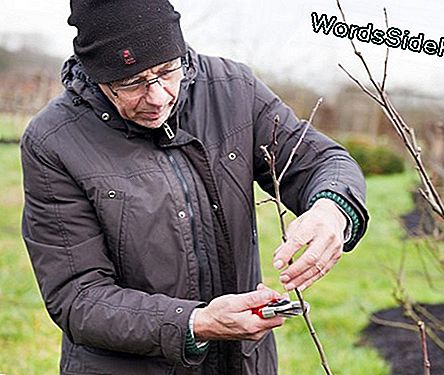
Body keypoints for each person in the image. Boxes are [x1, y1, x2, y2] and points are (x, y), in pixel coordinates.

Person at [20, 1, 369, 374]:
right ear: (96, 75)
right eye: (132, 82)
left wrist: (332, 210)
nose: (158, 97)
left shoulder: (232, 90)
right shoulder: (54, 141)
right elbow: (79, 298)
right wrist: (195, 322)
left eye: (167, 71)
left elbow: (322, 162)